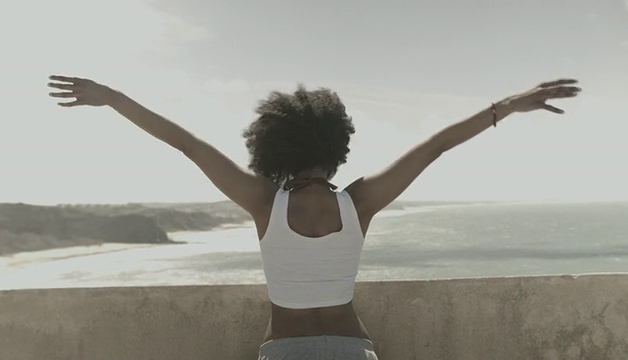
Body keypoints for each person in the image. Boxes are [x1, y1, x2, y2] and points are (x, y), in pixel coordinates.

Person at [47, 75, 580, 359]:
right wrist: (506, 106)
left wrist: (113, 98)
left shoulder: (263, 202)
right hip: (354, 350)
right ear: (337, 146)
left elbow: (186, 143)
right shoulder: (360, 202)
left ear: (272, 146)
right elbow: (437, 145)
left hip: (283, 353)